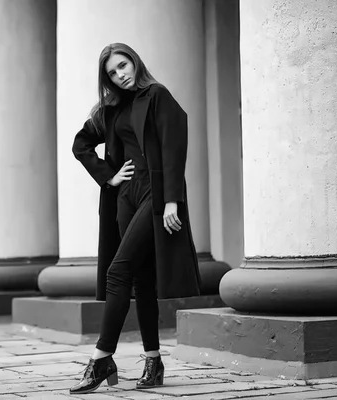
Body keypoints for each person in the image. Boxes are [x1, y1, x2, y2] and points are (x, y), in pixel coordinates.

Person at [69, 43, 202, 395]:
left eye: (123, 65)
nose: (120, 74)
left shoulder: (157, 96)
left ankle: (101, 358)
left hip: (155, 194)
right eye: (112, 72)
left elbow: (175, 147)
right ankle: (153, 361)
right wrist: (108, 175)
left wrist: (172, 200)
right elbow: (81, 144)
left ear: (135, 61)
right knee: (141, 278)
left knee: (118, 270)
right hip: (125, 197)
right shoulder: (110, 108)